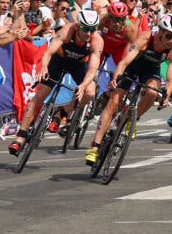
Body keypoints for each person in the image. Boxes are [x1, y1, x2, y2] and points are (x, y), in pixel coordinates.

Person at [85, 13, 172, 166]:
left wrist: (167, 95)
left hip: (151, 71)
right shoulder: (145, 38)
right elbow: (124, 62)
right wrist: (115, 79)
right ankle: (95, 147)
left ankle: (132, 120)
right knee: (113, 103)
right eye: (169, 36)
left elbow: (170, 80)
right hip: (133, 67)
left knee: (152, 91)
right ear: (160, 32)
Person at [8, 10, 104, 156]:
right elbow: (47, 53)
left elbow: (92, 69)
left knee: (90, 92)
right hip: (58, 61)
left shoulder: (97, 41)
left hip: (79, 65)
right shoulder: (67, 31)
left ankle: (62, 113)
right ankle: (20, 137)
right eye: (85, 28)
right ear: (78, 26)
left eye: (92, 29)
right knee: (40, 95)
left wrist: (83, 86)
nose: (89, 33)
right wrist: (44, 68)